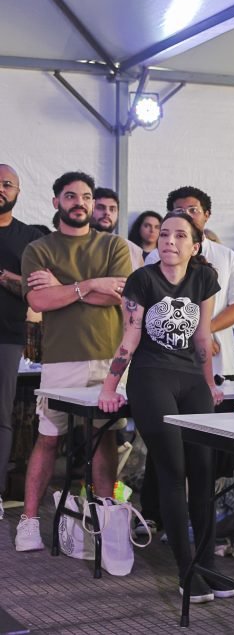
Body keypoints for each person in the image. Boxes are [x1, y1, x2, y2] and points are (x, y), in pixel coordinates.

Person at [96, 212, 234, 602]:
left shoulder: (205, 278)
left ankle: (207, 565)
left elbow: (204, 335)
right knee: (174, 473)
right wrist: (110, 386)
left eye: (180, 236)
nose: (169, 241)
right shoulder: (143, 279)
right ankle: (186, 571)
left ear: (195, 246)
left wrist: (209, 383)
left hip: (192, 379)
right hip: (152, 378)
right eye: (164, 234)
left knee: (204, 473)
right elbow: (130, 337)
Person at [16, 171, 132, 552]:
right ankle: (29, 520)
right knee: (49, 439)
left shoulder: (114, 245)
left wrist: (67, 288)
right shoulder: (39, 248)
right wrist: (90, 285)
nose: (79, 202)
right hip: (61, 359)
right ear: (56, 203)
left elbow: (118, 296)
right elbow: (39, 302)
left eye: (86, 196)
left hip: (108, 358)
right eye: (70, 196)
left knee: (104, 439)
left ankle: (104, 517)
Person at [145, 186, 234, 380]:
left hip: (219, 360)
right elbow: (152, 307)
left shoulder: (226, 255)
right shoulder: (155, 257)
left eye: (193, 210)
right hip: (168, 360)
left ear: (207, 215)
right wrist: (197, 335)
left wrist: (205, 331)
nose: (187, 216)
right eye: (179, 211)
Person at [0, 164, 42, 513]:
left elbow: (36, 292)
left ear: (17, 192)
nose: (1, 188)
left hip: (7, 336)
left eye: (7, 184)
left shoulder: (28, 237)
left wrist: (3, 275)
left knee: (1, 415)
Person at [92, 187, 144, 269]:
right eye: (100, 208)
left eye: (112, 209)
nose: (107, 213)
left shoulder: (133, 250)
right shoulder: (75, 242)